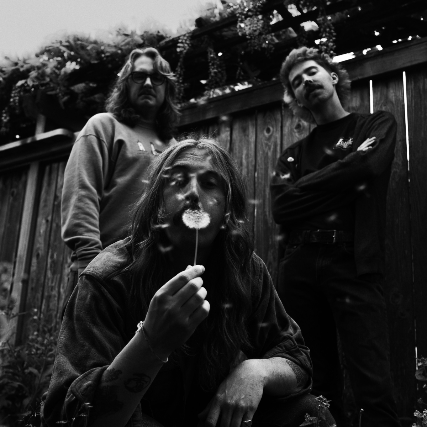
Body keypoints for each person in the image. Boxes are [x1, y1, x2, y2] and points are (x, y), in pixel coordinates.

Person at [42, 140, 336, 427]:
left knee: (310, 413)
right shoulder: (108, 278)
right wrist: (151, 342)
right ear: (157, 202)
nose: (193, 193)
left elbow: (296, 358)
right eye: (179, 181)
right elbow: (66, 414)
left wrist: (257, 371)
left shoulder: (246, 271)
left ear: (228, 209)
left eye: (209, 183)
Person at [270, 47, 401, 427]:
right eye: (296, 82)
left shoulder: (376, 125)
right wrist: (349, 171)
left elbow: (370, 165)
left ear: (332, 75)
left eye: (311, 72)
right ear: (295, 98)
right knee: (316, 381)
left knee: (373, 380)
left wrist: (305, 186)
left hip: (353, 261)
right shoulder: (293, 153)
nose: (305, 81)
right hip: (299, 267)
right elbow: (282, 208)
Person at [60, 47, 179, 314]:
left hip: (155, 280)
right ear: (125, 83)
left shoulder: (174, 147)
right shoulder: (103, 126)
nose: (147, 83)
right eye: (139, 76)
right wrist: (90, 266)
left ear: (167, 88)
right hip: (102, 270)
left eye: (157, 78)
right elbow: (82, 193)